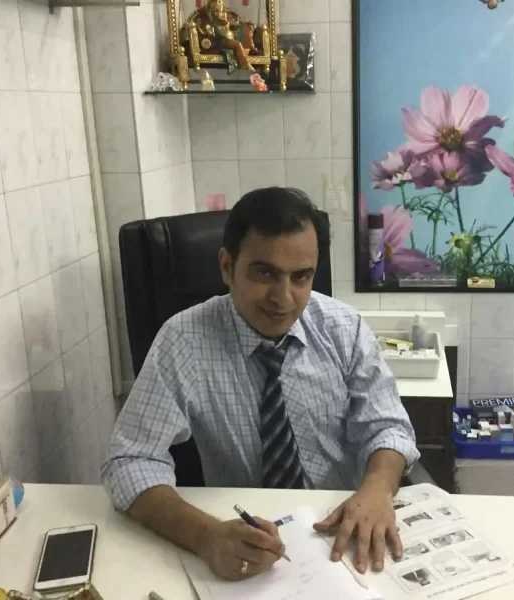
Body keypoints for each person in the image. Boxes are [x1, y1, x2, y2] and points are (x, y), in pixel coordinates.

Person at [102, 187, 419, 582]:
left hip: (346, 532)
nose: (283, 298)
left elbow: (388, 426)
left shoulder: (344, 329)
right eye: (264, 273)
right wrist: (205, 536)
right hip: (242, 542)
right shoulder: (183, 340)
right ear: (226, 266)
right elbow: (129, 461)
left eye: (300, 277)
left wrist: (377, 489)